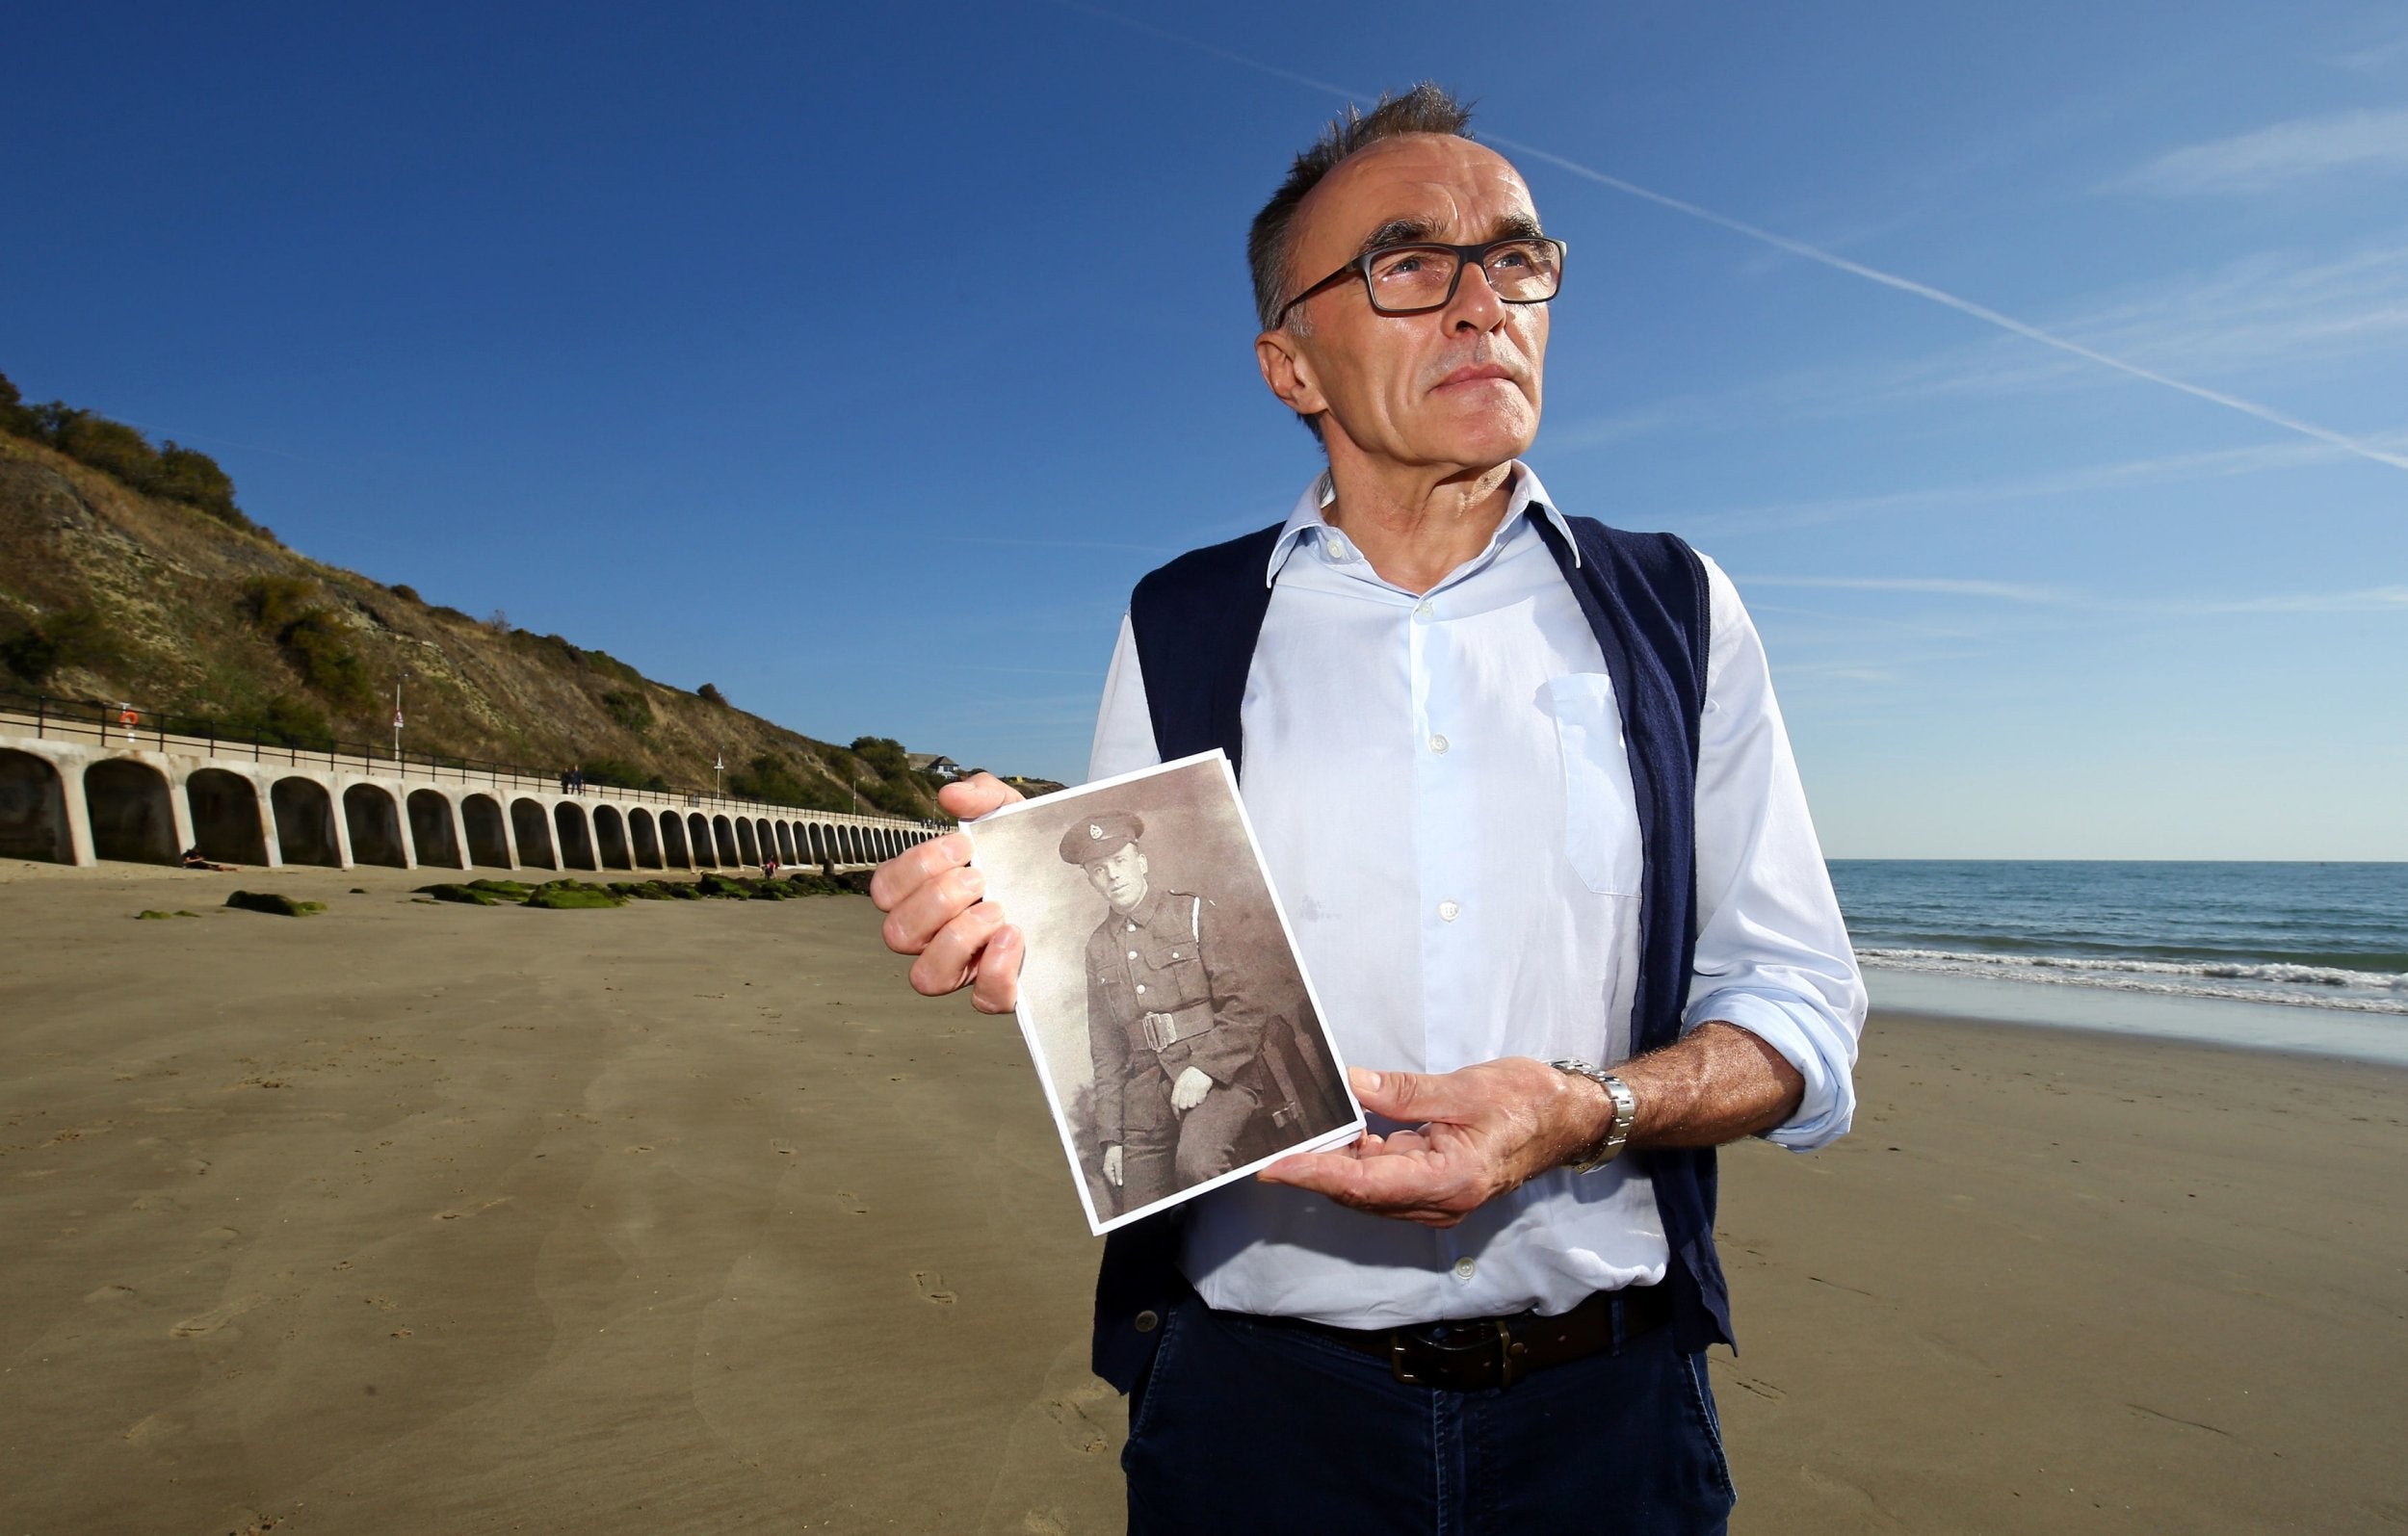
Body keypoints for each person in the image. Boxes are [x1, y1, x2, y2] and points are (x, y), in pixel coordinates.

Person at [873, 83, 1864, 1534]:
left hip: (1612, 1417)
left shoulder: (1676, 607)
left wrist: (1585, 1110)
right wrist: (1026, 924)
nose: (1484, 306)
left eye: (1518, 259)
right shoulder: (1183, 618)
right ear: (1291, 363)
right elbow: (1136, 1013)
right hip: (1254, 1419)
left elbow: (1801, 1004)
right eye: (1410, 264)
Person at [1060, 810, 1269, 1213]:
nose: (1113, 876)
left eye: (1119, 862)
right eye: (1099, 869)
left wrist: (1205, 1068)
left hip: (1220, 1077)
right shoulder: (1098, 948)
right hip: (1145, 1099)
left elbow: (1247, 1005)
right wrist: (1112, 1139)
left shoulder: (1191, 913)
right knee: (1135, 1211)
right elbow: (1106, 1052)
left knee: (1197, 1166)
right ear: (1090, 880)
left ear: (1141, 862)